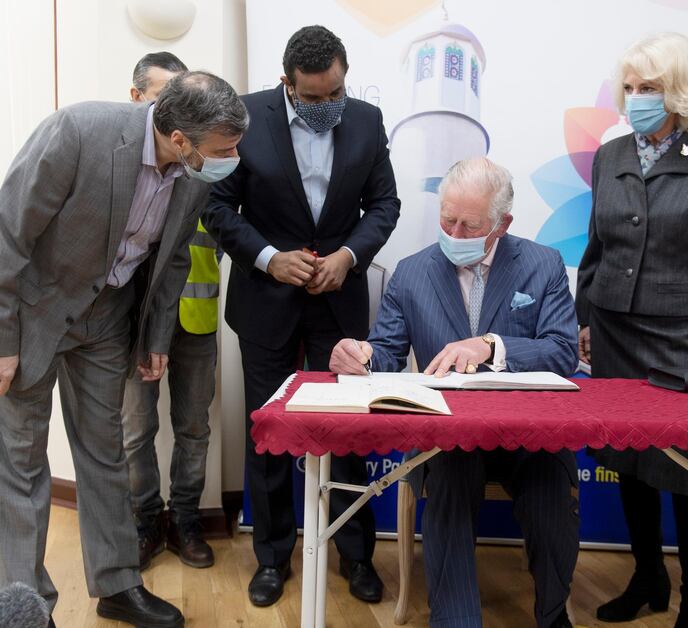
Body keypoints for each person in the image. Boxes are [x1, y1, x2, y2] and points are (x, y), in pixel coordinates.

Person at [0, 71, 248, 627]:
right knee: (20, 461)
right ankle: (26, 608)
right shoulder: (79, 132)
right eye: (223, 149)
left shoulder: (193, 172)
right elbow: (6, 236)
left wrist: (156, 335)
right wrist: (2, 343)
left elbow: (175, 258)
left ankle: (116, 585)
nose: (232, 158)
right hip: (34, 315)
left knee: (105, 450)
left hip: (108, 319)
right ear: (179, 136)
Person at [330, 157, 579, 628]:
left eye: (470, 225)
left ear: (502, 224)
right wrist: (359, 355)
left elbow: (563, 350)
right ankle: (455, 621)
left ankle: (553, 616)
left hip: (529, 433)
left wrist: (492, 344)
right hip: (450, 433)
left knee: (550, 492)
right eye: (448, 219)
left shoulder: (542, 265)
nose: (455, 232)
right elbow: (385, 350)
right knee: (447, 481)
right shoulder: (411, 272)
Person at [203, 25, 400, 607]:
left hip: (338, 300)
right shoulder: (244, 116)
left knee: (347, 429)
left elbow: (384, 203)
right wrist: (268, 258)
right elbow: (217, 205)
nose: (326, 107)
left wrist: (349, 254)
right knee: (268, 429)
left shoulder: (365, 120)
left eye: (334, 93)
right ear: (286, 85)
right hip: (265, 303)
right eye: (312, 99)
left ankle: (356, 554)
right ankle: (271, 557)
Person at [576, 33, 688, 628]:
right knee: (627, 457)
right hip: (614, 326)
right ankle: (648, 576)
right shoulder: (611, 154)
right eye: (629, 88)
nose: (635, 99)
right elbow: (595, 247)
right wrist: (583, 316)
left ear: (679, 91)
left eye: (648, 88)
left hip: (684, 331)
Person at [123, 52, 220, 571]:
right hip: (135, 324)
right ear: (138, 98)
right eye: (166, 100)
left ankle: (185, 520)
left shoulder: (205, 161)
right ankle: (145, 521)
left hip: (197, 320)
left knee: (194, 428)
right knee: (135, 431)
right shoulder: (126, 165)